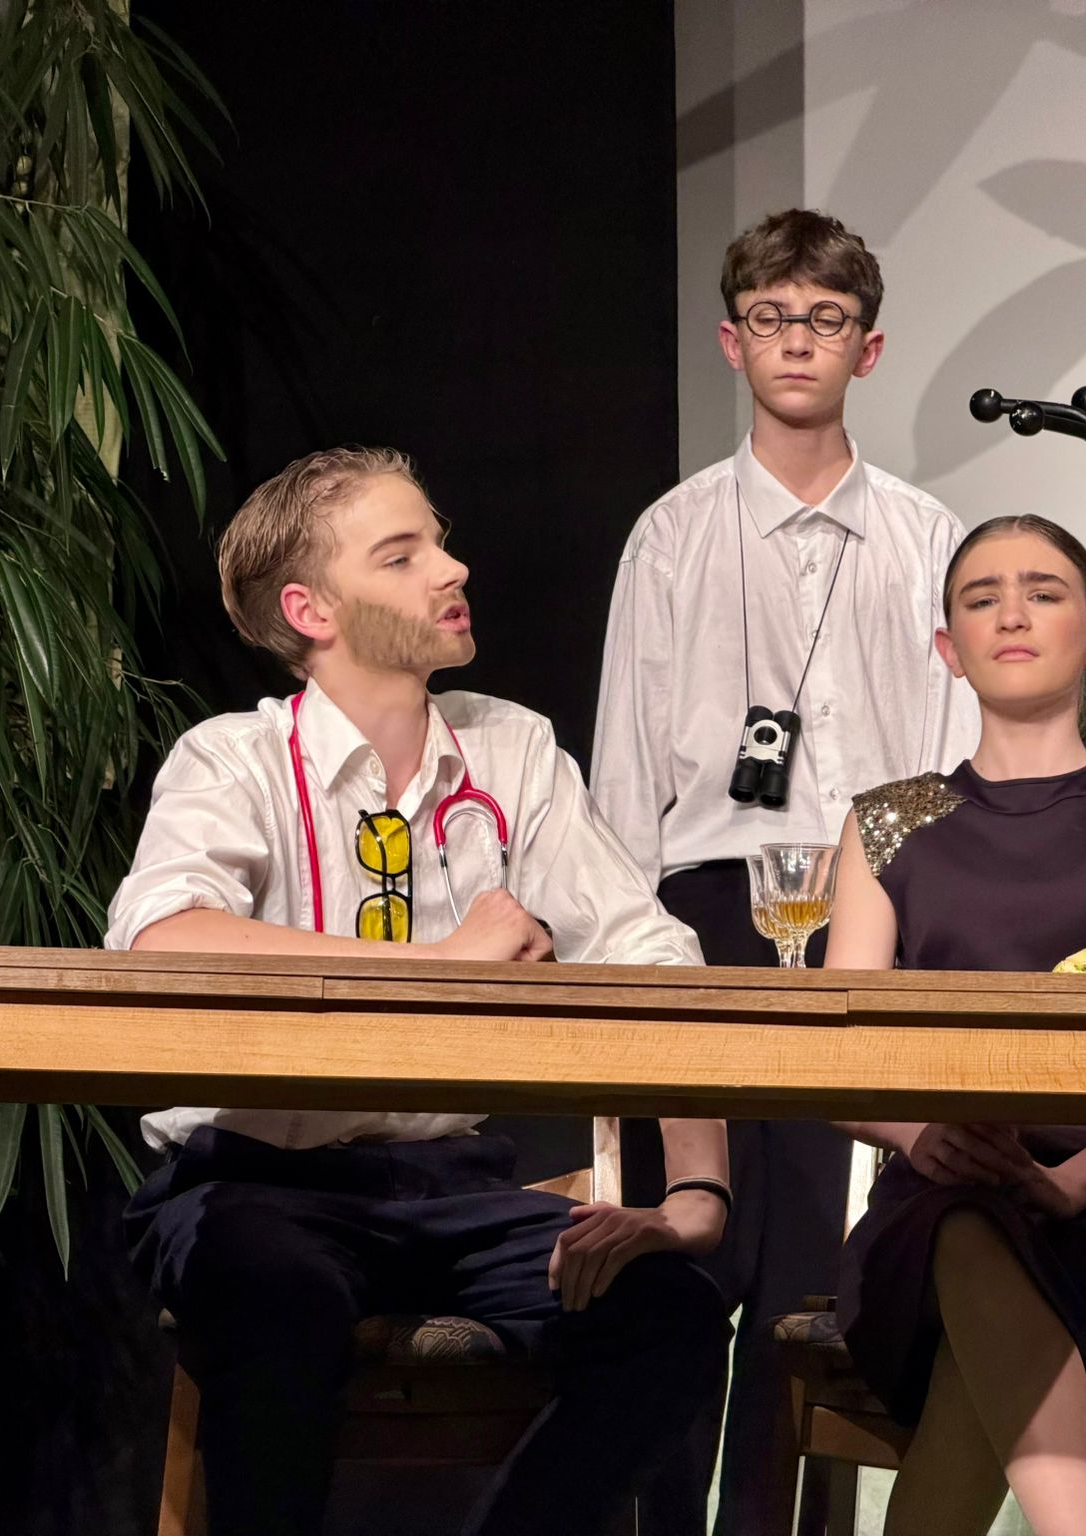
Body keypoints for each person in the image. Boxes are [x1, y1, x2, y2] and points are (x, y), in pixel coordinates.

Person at [110, 448, 733, 1536]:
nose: (452, 568)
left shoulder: (513, 749)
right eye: (401, 556)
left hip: (450, 1189)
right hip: (258, 1183)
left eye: (439, 542)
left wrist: (694, 1197)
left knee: (668, 1312)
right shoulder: (233, 759)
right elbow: (164, 937)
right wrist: (451, 961)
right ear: (310, 610)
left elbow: (653, 962)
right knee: (274, 1293)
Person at [592, 207, 977, 1534]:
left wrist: (926, 925)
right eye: (771, 318)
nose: (796, 341)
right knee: (688, 1241)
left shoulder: (926, 538)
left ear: (868, 349)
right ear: (731, 341)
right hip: (699, 909)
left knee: (812, 1259)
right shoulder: (674, 535)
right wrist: (626, 956)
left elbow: (953, 755)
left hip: (869, 908)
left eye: (824, 320)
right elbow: (623, 771)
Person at [825, 514, 1086, 1536]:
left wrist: (1068, 1184)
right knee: (967, 1229)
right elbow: (836, 1059)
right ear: (947, 648)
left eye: (1042, 594)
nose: (1011, 615)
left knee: (985, 1320)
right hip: (935, 1196)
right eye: (981, 598)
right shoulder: (884, 823)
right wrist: (920, 1137)